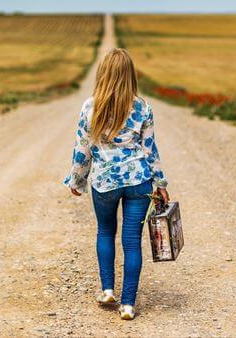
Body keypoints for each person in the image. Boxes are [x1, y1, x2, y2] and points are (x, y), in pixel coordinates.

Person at [63, 48, 169, 320]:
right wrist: (160, 182)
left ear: (103, 74)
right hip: (138, 180)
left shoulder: (90, 106)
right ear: (130, 76)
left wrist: (77, 179)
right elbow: (150, 150)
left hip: (104, 182)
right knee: (132, 242)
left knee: (105, 231)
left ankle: (108, 289)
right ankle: (128, 305)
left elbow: (82, 149)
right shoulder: (143, 107)